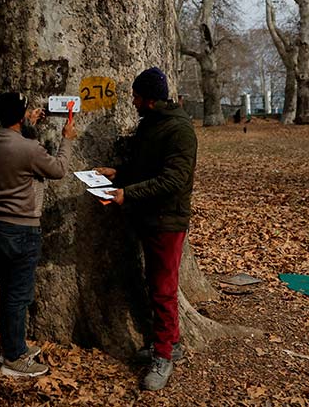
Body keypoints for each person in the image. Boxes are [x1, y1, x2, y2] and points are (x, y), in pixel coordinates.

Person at [95, 66, 197, 391]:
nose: (133, 102)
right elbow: (144, 168)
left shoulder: (179, 130)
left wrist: (128, 194)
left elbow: (173, 179)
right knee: (155, 284)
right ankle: (172, 343)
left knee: (164, 290)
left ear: (150, 99)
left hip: (168, 220)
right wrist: (118, 174)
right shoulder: (150, 124)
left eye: (137, 96)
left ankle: (163, 357)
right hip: (149, 218)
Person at [0, 92, 78, 377]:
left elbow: (18, 150)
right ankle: (13, 357)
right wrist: (67, 138)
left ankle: (13, 346)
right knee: (19, 295)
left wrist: (27, 124)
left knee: (8, 291)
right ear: (21, 116)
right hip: (22, 229)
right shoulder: (30, 149)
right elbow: (58, 169)